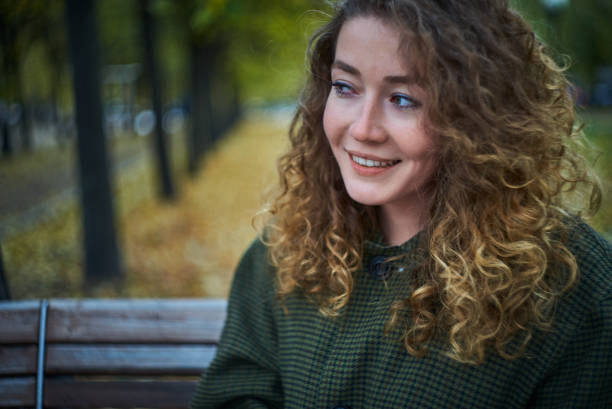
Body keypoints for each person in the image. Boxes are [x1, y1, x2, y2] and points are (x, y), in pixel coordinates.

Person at [191, 0, 612, 407]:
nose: (363, 128)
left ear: (480, 117)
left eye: (403, 98)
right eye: (345, 87)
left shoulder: (572, 285)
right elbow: (236, 394)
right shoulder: (284, 251)